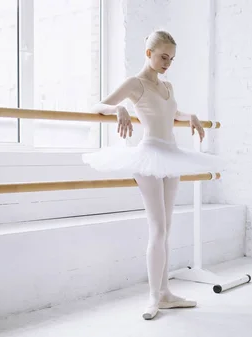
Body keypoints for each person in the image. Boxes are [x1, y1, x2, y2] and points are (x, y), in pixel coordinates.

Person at [82, 30, 225, 320]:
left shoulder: (167, 86)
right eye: (162, 56)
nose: (167, 62)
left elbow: (169, 113)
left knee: (167, 228)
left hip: (171, 155)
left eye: (171, 58)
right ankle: (152, 297)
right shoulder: (135, 84)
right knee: (157, 228)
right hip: (149, 155)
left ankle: (165, 293)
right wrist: (119, 108)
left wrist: (190, 117)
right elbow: (97, 106)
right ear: (148, 53)